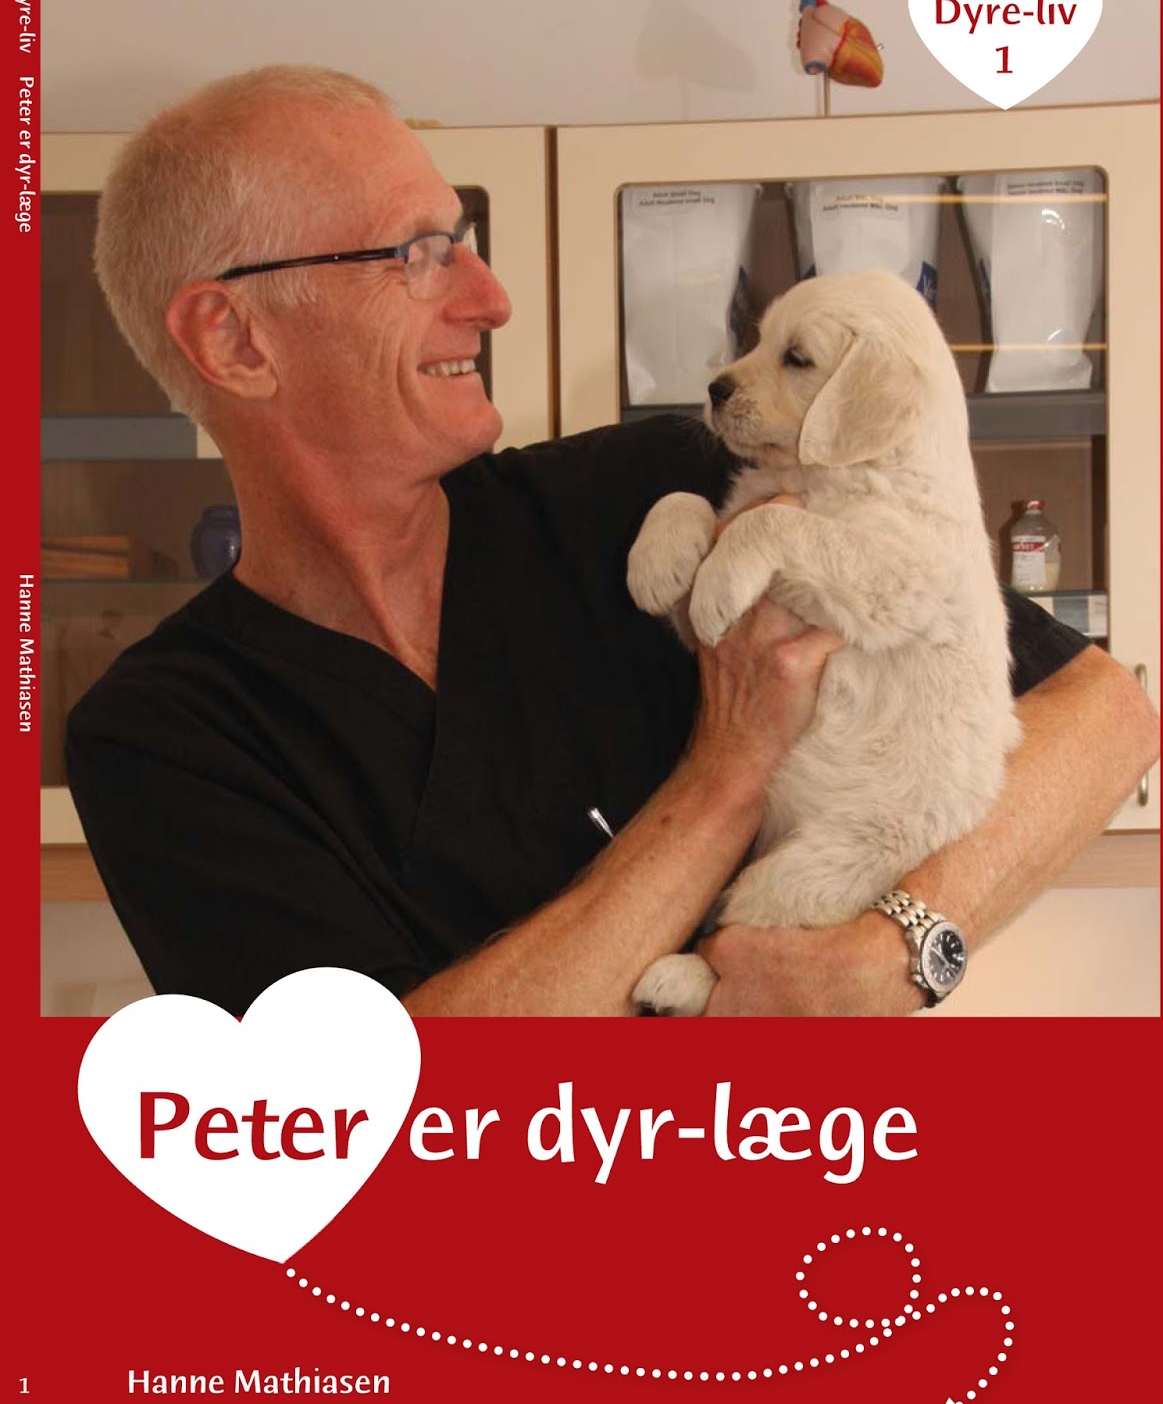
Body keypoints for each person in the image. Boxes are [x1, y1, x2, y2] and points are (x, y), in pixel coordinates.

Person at [67, 65, 1158, 1019]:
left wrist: (895, 951)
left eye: (465, 243)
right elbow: (382, 1114)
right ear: (234, 338)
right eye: (417, 254)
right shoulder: (166, 739)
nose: (490, 298)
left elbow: (1104, 714)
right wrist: (726, 771)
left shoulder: (659, 490)